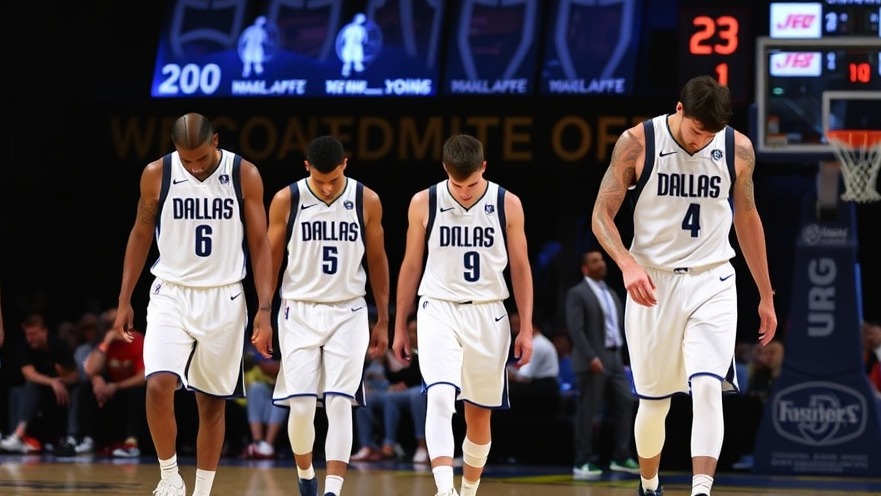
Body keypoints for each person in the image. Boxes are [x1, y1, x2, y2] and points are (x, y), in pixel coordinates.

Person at [591, 75, 778, 496]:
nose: (701, 140)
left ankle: (701, 490)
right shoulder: (639, 141)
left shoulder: (738, 149)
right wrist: (626, 264)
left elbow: (748, 219)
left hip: (712, 278)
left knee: (708, 383)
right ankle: (649, 484)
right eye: (696, 130)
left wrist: (766, 294)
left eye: (710, 133)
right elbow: (601, 214)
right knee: (655, 402)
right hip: (651, 283)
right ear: (680, 110)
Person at [113, 113, 275, 496]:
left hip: (225, 296)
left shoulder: (243, 174)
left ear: (216, 140)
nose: (195, 165)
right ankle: (169, 477)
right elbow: (140, 233)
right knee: (158, 385)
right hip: (171, 292)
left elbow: (260, 244)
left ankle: (202, 490)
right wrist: (124, 298)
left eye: (201, 157)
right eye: (186, 159)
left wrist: (265, 308)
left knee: (212, 403)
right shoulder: (157, 173)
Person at [392, 133, 534, 496]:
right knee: (439, 396)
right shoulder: (424, 202)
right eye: (458, 184)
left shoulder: (508, 203)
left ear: (484, 167)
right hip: (437, 308)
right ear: (445, 171)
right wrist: (399, 325)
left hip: (489, 313)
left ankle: (468, 490)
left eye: (471, 183)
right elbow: (410, 265)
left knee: (478, 414)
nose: (466, 192)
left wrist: (527, 326)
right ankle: (444, 489)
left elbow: (520, 267)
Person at [268, 135, 390, 496]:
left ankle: (333, 490)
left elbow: (378, 260)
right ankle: (306, 473)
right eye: (319, 179)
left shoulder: (366, 200)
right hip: (298, 308)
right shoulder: (286, 199)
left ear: (346, 165)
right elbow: (270, 262)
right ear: (306, 167)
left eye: (333, 179)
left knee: (340, 402)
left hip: (348, 310)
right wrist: (262, 311)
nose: (326, 186)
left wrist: (383, 317)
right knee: (302, 407)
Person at [565, 250, 638, 479]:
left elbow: (617, 328)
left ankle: (620, 455)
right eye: (595, 261)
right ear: (585, 268)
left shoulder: (611, 293)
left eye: (602, 259)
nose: (601, 263)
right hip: (593, 359)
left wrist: (624, 359)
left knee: (627, 402)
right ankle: (583, 460)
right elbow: (575, 330)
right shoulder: (577, 293)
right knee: (589, 410)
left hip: (615, 358)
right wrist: (590, 356)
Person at [0, 313, 80, 454]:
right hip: (39, 390)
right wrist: (52, 382)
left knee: (78, 390)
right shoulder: (23, 345)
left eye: (34, 333)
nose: (30, 338)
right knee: (29, 386)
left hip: (62, 392)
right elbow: (29, 374)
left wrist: (62, 381)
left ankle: (71, 437)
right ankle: (18, 436)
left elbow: (75, 376)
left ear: (44, 331)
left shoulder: (58, 344)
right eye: (28, 334)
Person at [80, 307, 147, 457]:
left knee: (138, 392)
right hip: (111, 391)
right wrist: (106, 343)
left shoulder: (136, 340)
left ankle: (131, 444)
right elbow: (91, 370)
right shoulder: (105, 343)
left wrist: (115, 386)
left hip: (129, 388)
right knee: (87, 387)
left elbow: (143, 377)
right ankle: (88, 439)